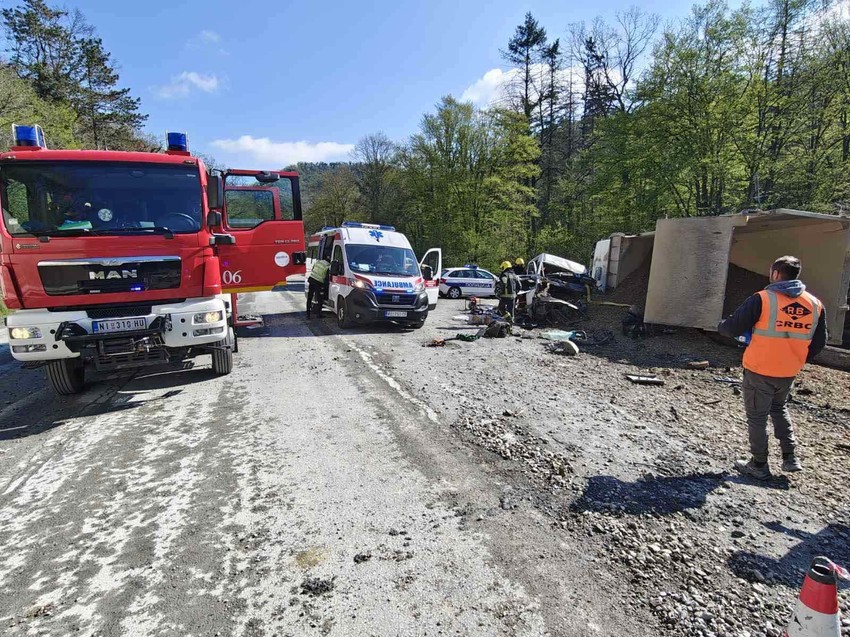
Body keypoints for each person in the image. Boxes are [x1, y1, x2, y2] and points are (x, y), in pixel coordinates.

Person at [717, 255, 827, 480]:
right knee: (779, 408)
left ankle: (759, 464)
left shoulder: (763, 299)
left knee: (757, 416)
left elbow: (731, 328)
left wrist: (723, 326)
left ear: (776, 274)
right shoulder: (815, 304)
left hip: (760, 368)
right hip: (788, 371)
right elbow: (819, 342)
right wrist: (795, 358)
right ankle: (790, 457)